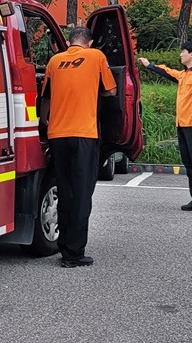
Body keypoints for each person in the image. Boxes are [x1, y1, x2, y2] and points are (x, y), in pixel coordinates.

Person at [39, 25, 116, 268]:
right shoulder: (96, 56)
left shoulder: (55, 61)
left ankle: (64, 245)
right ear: (89, 42)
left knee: (65, 190)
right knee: (81, 194)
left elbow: (46, 98)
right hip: (84, 134)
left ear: (69, 41)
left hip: (57, 135)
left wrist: (45, 122)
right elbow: (111, 90)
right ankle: (74, 253)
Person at [139, 41, 192, 213]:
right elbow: (167, 72)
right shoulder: (183, 75)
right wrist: (149, 65)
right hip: (181, 124)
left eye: (183, 51)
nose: (180, 54)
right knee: (188, 163)